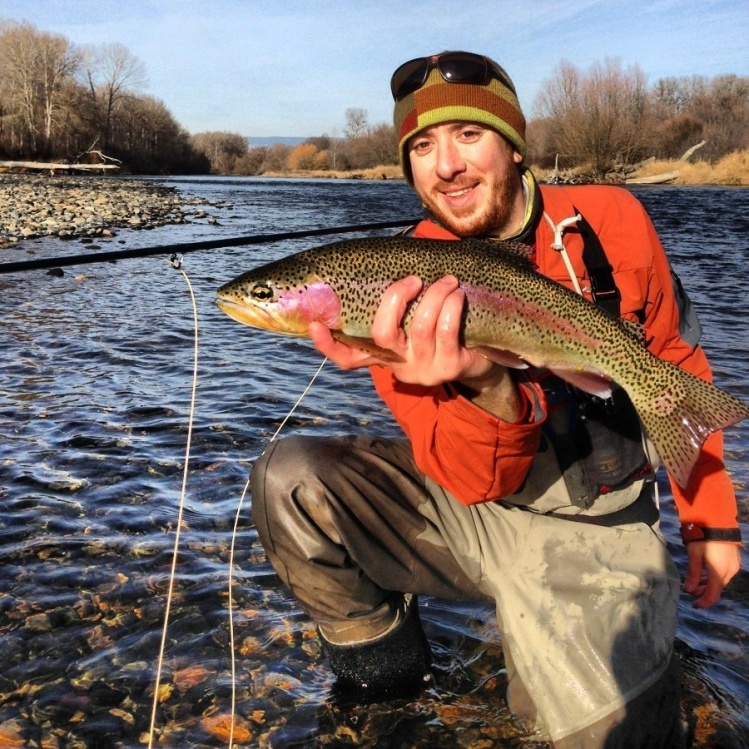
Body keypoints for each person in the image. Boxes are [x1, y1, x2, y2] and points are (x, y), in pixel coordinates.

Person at [250, 51, 742, 747]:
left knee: (606, 734)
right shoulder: (392, 291)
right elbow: (471, 477)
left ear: (514, 146)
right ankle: (386, 691)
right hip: (474, 504)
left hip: (595, 521)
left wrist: (711, 522)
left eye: (467, 135)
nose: (444, 165)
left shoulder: (611, 218)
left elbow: (676, 365)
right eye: (421, 145)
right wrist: (484, 385)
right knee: (289, 479)